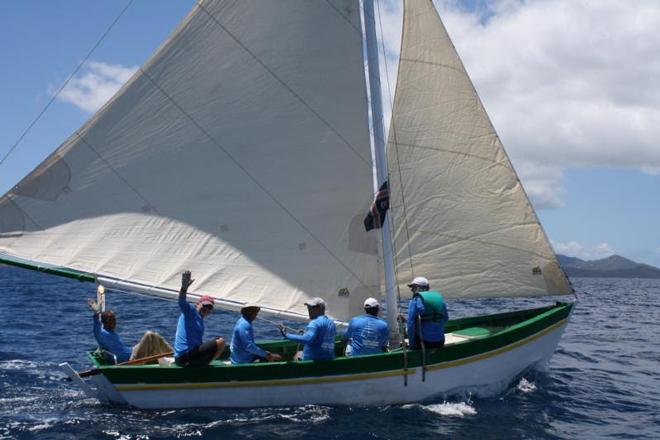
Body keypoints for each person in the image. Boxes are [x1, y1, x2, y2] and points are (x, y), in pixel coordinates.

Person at [87, 299, 172, 364]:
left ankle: (173, 355)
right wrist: (96, 313)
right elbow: (96, 330)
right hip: (130, 361)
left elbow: (121, 349)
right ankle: (162, 361)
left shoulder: (112, 333)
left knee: (155, 336)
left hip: (131, 352)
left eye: (114, 320)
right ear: (104, 322)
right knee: (149, 335)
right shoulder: (102, 334)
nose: (114, 323)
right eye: (111, 321)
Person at [174, 270, 225, 367]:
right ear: (197, 304)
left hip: (187, 357)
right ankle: (207, 364)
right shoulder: (190, 311)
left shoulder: (200, 320)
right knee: (221, 341)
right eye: (205, 306)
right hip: (185, 357)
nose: (206, 309)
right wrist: (184, 287)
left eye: (209, 308)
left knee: (214, 342)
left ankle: (203, 363)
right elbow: (181, 301)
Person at [404, 276, 448, 349]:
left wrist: (412, 346)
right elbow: (446, 319)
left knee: (408, 328)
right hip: (440, 341)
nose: (411, 290)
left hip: (424, 343)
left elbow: (410, 324)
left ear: (420, 288)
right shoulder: (439, 298)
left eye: (413, 287)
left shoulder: (415, 300)